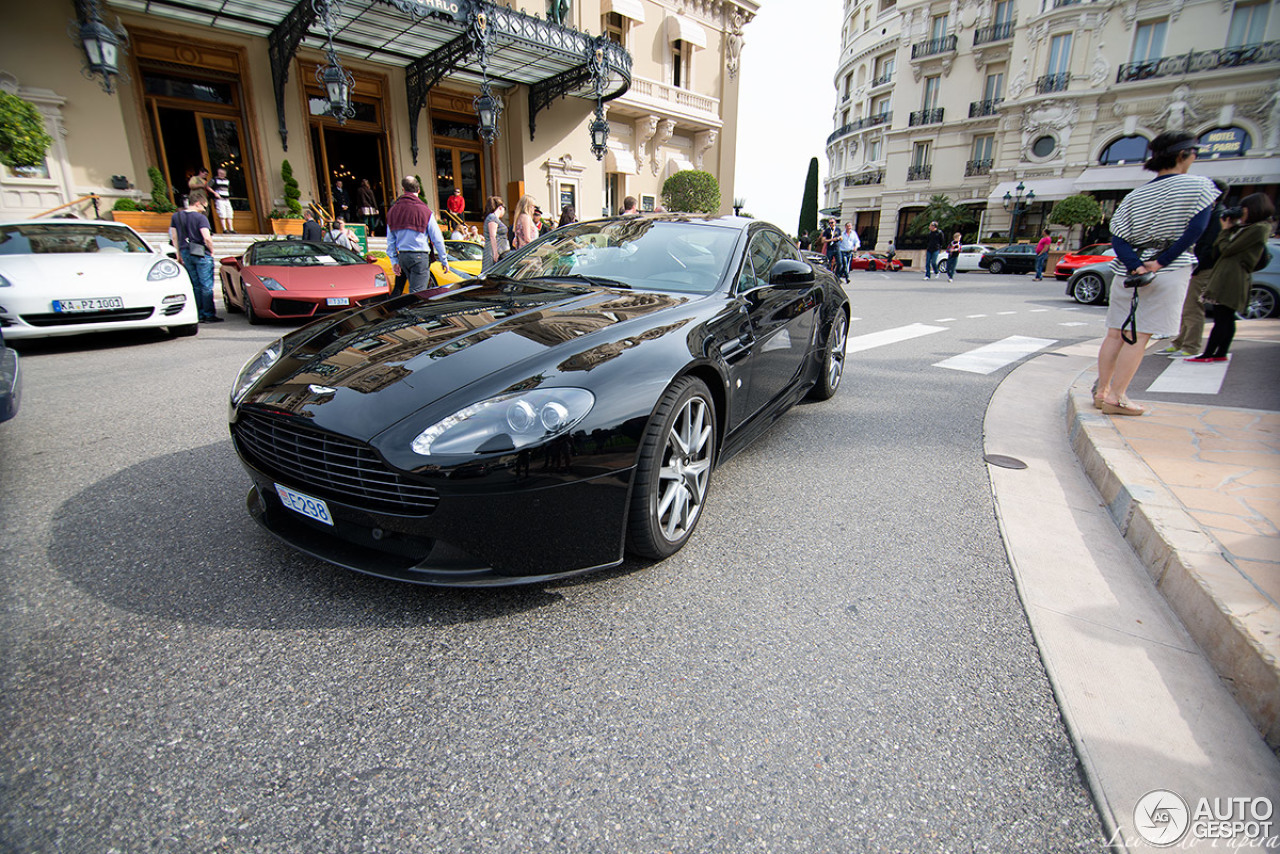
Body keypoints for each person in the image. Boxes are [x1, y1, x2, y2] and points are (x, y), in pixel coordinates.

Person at [1095, 130, 1219, 416]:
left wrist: (1136, 265)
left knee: (1115, 333)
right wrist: (1161, 262)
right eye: (1194, 152)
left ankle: (1102, 391)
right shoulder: (1199, 187)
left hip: (1129, 270)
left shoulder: (1136, 194)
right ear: (1182, 155)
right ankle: (1118, 396)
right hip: (1167, 269)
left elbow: (1118, 238)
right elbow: (1196, 230)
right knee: (1138, 336)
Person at [1187, 193, 1275, 363]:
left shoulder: (1258, 229)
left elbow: (1226, 250)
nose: (1241, 212)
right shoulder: (1252, 228)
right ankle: (1219, 353)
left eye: (1244, 209)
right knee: (1225, 317)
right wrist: (1233, 227)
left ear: (1253, 209)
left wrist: (1226, 231)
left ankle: (1209, 354)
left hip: (1232, 278)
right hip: (1230, 276)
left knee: (1222, 317)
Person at [1162, 180, 1227, 358]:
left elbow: (1210, 246)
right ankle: (1179, 342)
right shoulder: (1210, 214)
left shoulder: (1218, 216)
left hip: (1202, 268)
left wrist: (1198, 265)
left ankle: (1190, 346)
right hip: (1196, 266)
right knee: (1184, 307)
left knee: (1192, 307)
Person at [385, 175, 451, 294]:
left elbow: (390, 240)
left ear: (403, 190)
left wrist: (394, 260)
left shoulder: (393, 211)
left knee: (413, 293)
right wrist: (443, 260)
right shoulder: (424, 210)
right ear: (418, 190)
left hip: (403, 256)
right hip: (419, 256)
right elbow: (437, 239)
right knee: (418, 295)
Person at [168, 196, 220, 323]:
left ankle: (200, 313)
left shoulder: (176, 216)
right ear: (197, 204)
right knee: (206, 285)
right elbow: (206, 237)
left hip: (185, 251)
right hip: (200, 252)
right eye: (204, 206)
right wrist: (212, 251)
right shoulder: (200, 218)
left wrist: (178, 254)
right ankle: (209, 314)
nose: (204, 210)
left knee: (195, 285)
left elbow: (174, 236)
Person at [483, 195, 509, 272]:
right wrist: (495, 253)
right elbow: (492, 236)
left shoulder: (494, 218)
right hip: (492, 250)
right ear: (500, 207)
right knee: (489, 271)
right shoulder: (492, 218)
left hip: (499, 249)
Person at [210, 167, 233, 234]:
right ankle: (224, 229)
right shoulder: (214, 180)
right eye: (220, 173)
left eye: (223, 173)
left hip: (227, 199)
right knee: (222, 213)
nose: (221, 174)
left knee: (229, 213)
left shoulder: (227, 180)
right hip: (219, 199)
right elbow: (207, 186)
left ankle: (231, 229)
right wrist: (215, 193)